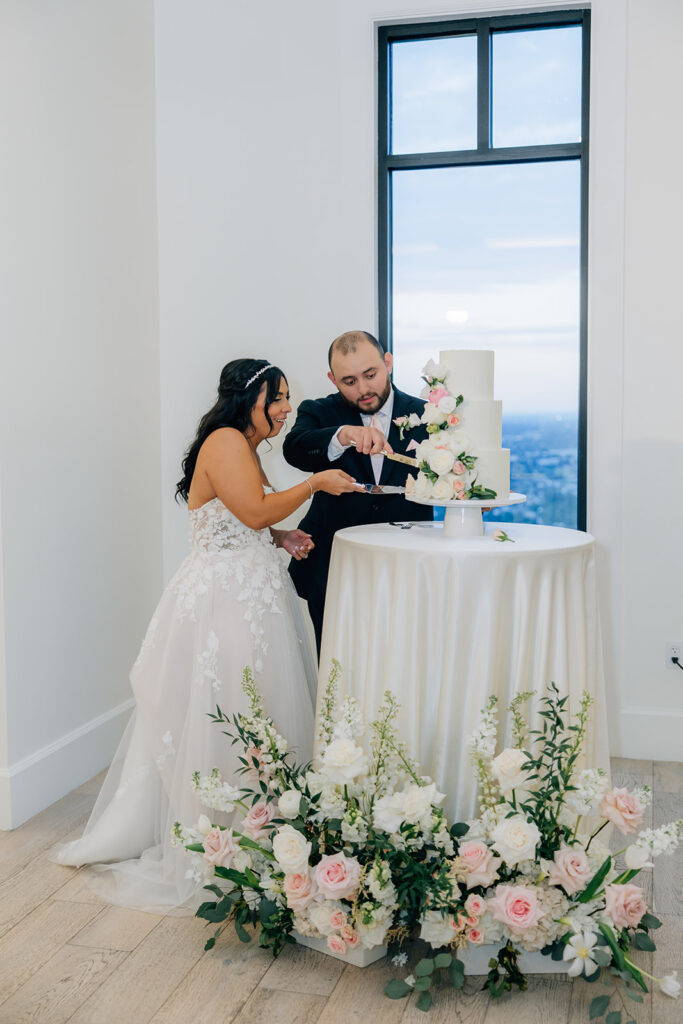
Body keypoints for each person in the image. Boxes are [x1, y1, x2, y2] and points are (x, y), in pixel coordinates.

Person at [52, 358, 358, 911]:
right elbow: (253, 509)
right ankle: (224, 836)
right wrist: (312, 484)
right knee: (232, 709)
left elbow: (249, 520)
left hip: (252, 593)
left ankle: (266, 835)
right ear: (251, 398)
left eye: (289, 398)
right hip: (224, 601)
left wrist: (282, 536)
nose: (288, 409)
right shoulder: (224, 441)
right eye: (280, 398)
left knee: (257, 706)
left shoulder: (243, 445)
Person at [283, 331, 432, 653]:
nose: (363, 389)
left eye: (371, 375)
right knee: (338, 666)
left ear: (388, 363)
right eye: (349, 381)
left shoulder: (430, 416)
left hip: (411, 564)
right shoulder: (318, 412)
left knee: (406, 659)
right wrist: (344, 434)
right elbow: (294, 450)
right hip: (334, 564)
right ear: (332, 379)